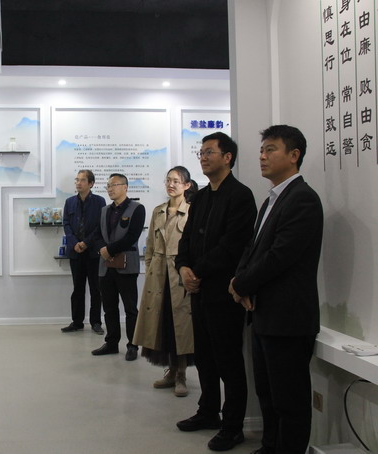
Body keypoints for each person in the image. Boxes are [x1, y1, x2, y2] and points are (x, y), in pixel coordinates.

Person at [229, 125, 323, 454]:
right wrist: (239, 281)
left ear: (294, 155)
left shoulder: (303, 199)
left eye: (271, 149)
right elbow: (252, 249)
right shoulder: (272, 199)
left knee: (289, 402)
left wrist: (241, 283)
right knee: (267, 396)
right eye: (261, 150)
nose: (262, 156)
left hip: (288, 319)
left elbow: (279, 257)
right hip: (264, 315)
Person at [175, 132, 257, 451]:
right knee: (205, 357)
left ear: (228, 157)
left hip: (224, 292)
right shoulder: (201, 198)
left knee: (228, 361)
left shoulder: (240, 196)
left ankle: (233, 426)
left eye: (209, 152)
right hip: (198, 290)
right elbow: (186, 240)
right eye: (201, 152)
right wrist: (183, 267)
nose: (203, 157)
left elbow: (233, 246)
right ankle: (208, 411)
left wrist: (196, 271)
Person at [132, 166, 195, 397]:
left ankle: (181, 375)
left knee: (181, 327)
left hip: (180, 276)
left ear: (187, 185)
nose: (171, 185)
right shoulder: (158, 211)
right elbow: (149, 244)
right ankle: (170, 371)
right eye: (168, 180)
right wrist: (150, 267)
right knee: (162, 325)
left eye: (176, 181)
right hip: (158, 277)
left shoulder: (192, 211)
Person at [91, 173, 146, 361]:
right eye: (108, 185)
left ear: (125, 187)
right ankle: (111, 343)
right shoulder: (104, 210)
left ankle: (133, 345)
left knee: (130, 309)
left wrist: (109, 250)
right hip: (105, 266)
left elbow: (132, 236)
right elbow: (98, 234)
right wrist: (103, 249)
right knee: (109, 307)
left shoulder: (137, 209)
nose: (110, 188)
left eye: (114, 185)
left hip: (126, 266)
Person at [62, 170, 107, 334]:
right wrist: (75, 243)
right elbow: (66, 224)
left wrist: (86, 243)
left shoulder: (100, 201)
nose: (78, 183)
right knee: (78, 289)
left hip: (93, 252)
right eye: (77, 180)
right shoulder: (69, 202)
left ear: (91, 184)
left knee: (96, 289)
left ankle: (96, 322)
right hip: (76, 252)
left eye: (82, 180)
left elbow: (100, 226)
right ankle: (77, 322)